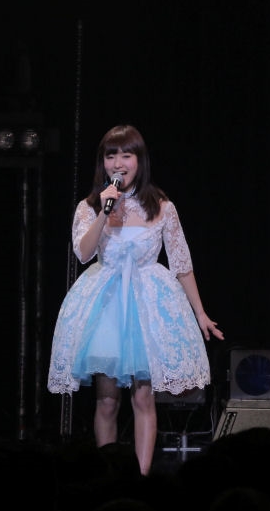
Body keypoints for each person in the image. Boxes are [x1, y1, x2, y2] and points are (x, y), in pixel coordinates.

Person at [47, 124, 223, 475]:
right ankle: (110, 476)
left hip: (147, 307)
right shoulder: (89, 206)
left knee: (143, 398)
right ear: (103, 162)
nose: (118, 163)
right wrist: (104, 212)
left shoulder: (162, 207)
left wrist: (200, 313)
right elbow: (83, 253)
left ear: (140, 161)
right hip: (107, 308)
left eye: (126, 155)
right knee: (107, 401)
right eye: (111, 155)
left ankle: (140, 478)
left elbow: (182, 264)